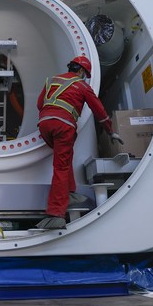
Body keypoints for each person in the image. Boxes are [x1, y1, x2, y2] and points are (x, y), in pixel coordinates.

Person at [36, 56, 123, 229]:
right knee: (60, 166)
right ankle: (55, 214)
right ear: (82, 71)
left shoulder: (52, 80)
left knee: (65, 158)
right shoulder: (83, 86)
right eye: (86, 73)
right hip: (64, 126)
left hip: (44, 124)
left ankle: (69, 192)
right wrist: (111, 131)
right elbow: (99, 111)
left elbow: (40, 104)